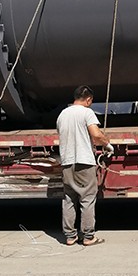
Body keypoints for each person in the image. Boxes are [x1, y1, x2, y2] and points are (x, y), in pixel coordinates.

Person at [56, 85, 113, 246]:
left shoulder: (62, 114)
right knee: (87, 199)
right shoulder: (87, 113)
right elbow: (96, 134)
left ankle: (70, 236)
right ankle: (88, 236)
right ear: (88, 99)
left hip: (67, 162)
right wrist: (107, 144)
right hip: (84, 162)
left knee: (69, 198)